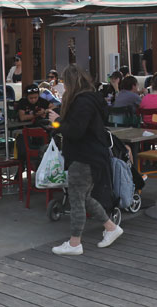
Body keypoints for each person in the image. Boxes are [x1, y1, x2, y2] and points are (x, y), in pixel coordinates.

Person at [47, 65, 122, 256]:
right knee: (84, 197)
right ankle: (111, 227)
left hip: (84, 156)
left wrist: (57, 121)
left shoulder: (81, 102)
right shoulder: (91, 99)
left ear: (71, 83)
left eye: (64, 82)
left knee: (76, 198)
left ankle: (75, 243)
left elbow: (76, 130)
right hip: (93, 155)